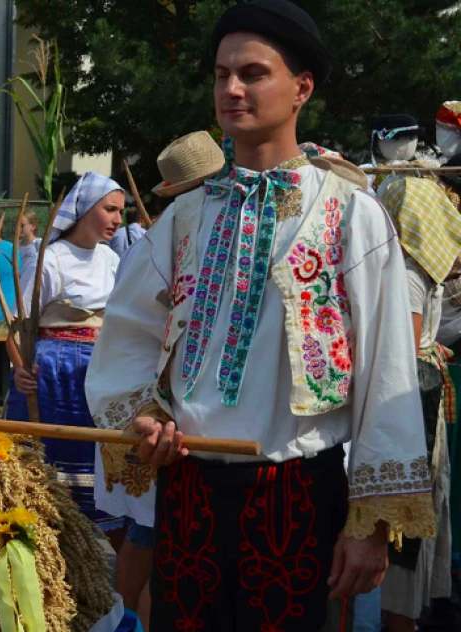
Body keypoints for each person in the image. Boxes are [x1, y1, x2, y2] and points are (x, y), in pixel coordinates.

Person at [85, 2, 436, 631]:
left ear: (301, 88)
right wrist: (146, 414)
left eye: (252, 73)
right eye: (222, 74)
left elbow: (389, 367)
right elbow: (128, 330)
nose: (232, 89)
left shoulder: (351, 214)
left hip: (298, 495)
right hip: (189, 487)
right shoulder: (185, 218)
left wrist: (373, 524)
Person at [95, 131, 224, 630]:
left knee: (154, 535)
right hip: (159, 410)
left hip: (175, 410)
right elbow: (134, 333)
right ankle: (125, 623)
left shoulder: (199, 231)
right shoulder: (166, 238)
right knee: (152, 536)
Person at [6, 171, 124, 534]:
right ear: (86, 209)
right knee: (52, 470)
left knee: (102, 467)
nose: (118, 220)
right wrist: (20, 369)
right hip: (54, 375)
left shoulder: (110, 260)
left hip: (101, 373)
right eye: (110, 210)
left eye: (121, 211)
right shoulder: (50, 258)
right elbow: (16, 324)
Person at [378, 170, 457, 632]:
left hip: (418, 398)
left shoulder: (413, 268)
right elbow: (406, 351)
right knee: (406, 521)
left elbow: (412, 346)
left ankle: (405, 615)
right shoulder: (411, 270)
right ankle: (399, 618)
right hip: (413, 403)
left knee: (416, 515)